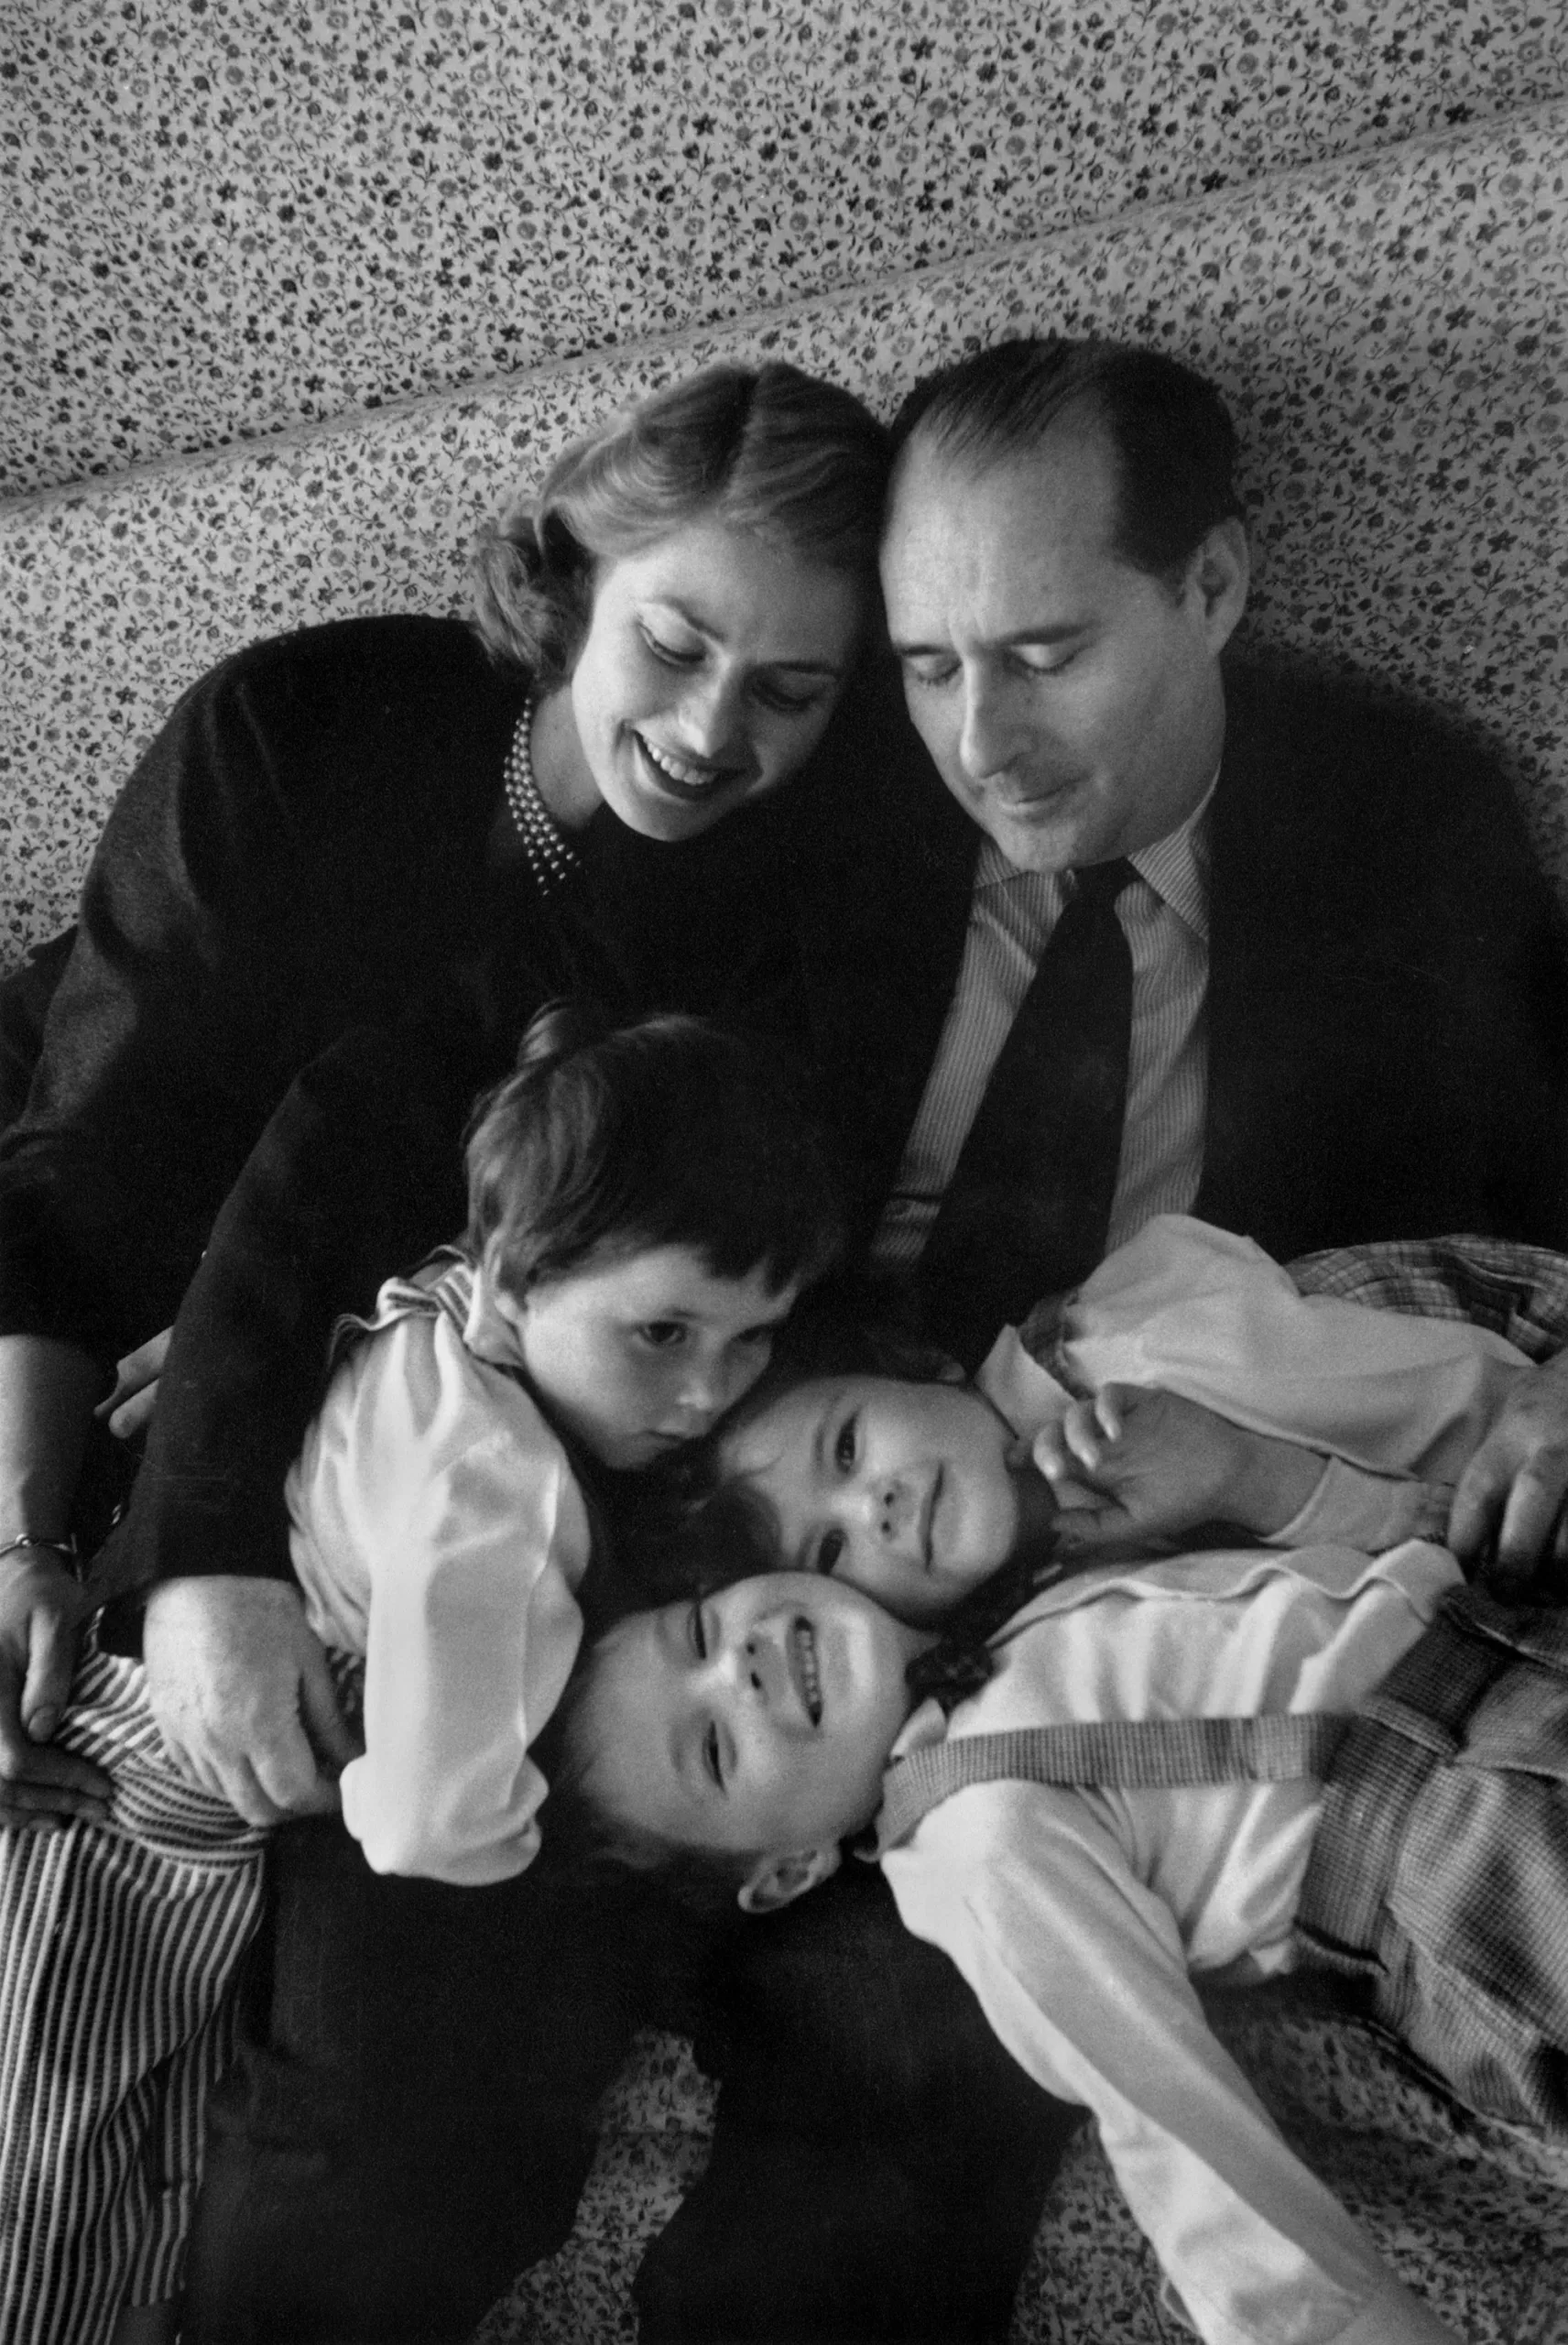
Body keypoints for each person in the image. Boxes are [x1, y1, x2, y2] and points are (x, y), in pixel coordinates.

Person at [630, 336, 1568, 2345]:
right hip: (829, 1481)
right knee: (882, 2055)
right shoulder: (824, 819)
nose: (985, 737)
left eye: (1045, 650)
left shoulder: (1399, 819)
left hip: (1213, 1454)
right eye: (931, 665)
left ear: (1210, 587)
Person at [0, 358, 895, 2344]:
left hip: (390, 1463)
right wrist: (66, 1539)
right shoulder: (306, 729)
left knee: (435, 2059)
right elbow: (81, 1175)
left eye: (793, 691)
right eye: (673, 641)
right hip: (67, 1324)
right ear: (573, 568)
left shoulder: (767, 934)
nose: (706, 728)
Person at [0, 1001, 843, 2345]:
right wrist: (546, 1824)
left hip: (177, 1808)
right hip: (122, 1823)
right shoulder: (490, 1489)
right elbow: (426, 1821)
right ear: (516, 1282)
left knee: (124, 2234)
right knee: (35, 2216)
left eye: (753, 1341)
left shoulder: (451, 1317)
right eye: (664, 1335)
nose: (708, 1396)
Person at [556, 1266, 1568, 2345]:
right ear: (788, 1869)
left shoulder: (1040, 1586)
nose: (740, 1669)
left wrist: (1251, 1479)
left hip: (1514, 1660)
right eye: (713, 1747)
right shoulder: (973, 1841)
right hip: (1470, 1854)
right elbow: (1171, 2130)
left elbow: (1406, 1561)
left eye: (702, 1633)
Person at [646, 1214, 1539, 1632]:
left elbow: (1477, 1402)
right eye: (829, 1553)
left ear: (910, 1365)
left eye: (845, 1446)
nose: (869, 1506)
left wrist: (1249, 1476)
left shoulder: (1132, 1350)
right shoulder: (1032, 1642)